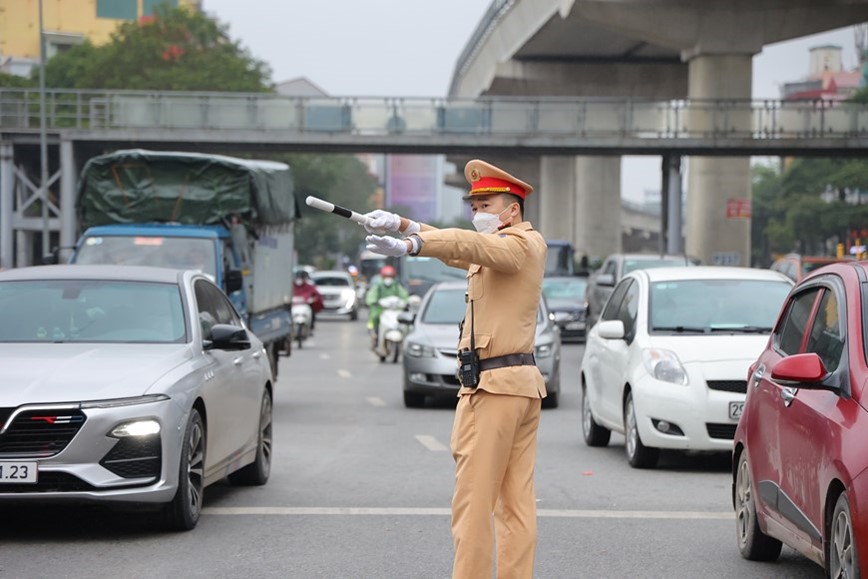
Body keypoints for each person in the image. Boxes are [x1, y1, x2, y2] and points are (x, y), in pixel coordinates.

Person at [363, 159, 547, 579]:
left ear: (512, 210)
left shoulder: (518, 245)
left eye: (486, 203)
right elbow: (462, 251)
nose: (477, 211)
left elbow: (469, 245)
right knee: (515, 506)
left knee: (472, 506)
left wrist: (411, 245)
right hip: (515, 386)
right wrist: (404, 225)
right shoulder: (507, 249)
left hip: (495, 390)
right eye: (474, 204)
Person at [365, 265, 409, 350]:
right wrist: (373, 302)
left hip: (394, 310)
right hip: (380, 310)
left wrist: (407, 302)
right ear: (382, 277)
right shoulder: (378, 286)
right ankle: (376, 336)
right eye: (386, 276)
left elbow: (404, 296)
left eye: (390, 276)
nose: (388, 279)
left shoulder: (396, 286)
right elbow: (371, 296)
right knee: (375, 318)